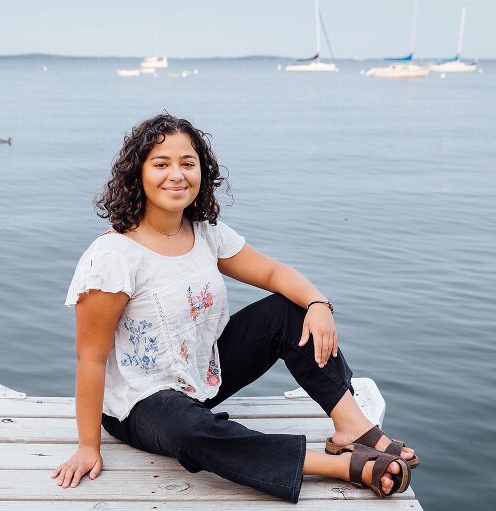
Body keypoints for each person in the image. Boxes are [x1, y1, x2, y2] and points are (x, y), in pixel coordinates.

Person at [52, 113, 417, 502]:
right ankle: (341, 466)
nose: (176, 174)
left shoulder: (205, 233)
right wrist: (89, 446)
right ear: (137, 175)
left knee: (289, 310)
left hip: (200, 377)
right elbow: (91, 358)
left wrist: (318, 303)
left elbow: (275, 273)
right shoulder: (113, 258)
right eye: (161, 164)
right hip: (138, 403)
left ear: (201, 173)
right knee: (191, 431)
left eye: (187, 164)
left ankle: (352, 428)